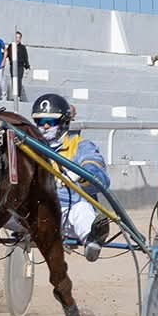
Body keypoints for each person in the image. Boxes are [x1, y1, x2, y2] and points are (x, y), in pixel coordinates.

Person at [31, 92, 110, 261]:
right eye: (40, 122)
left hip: (68, 213)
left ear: (63, 122)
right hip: (36, 215)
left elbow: (100, 178)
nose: (45, 126)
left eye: (50, 121)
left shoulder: (81, 146)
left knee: (82, 210)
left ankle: (92, 240)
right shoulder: (29, 148)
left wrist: (83, 175)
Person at [11, 30, 31, 101]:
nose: (17, 39)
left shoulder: (22, 47)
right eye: (16, 37)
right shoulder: (11, 46)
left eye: (19, 37)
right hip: (12, 66)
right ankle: (14, 96)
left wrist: (27, 66)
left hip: (20, 66)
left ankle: (18, 96)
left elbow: (25, 57)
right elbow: (6, 54)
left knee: (18, 80)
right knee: (13, 80)